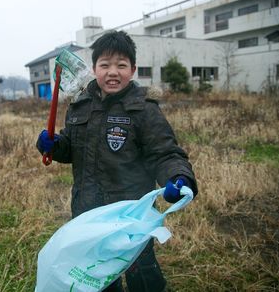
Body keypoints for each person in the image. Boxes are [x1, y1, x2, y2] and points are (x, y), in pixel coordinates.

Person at [36, 30, 198, 292]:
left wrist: (177, 177)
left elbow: (165, 152)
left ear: (132, 69)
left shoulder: (144, 109)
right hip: (88, 210)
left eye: (121, 65)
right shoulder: (80, 105)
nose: (113, 72)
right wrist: (55, 146)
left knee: (140, 268)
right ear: (94, 68)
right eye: (105, 65)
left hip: (130, 214)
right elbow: (71, 147)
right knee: (97, 269)